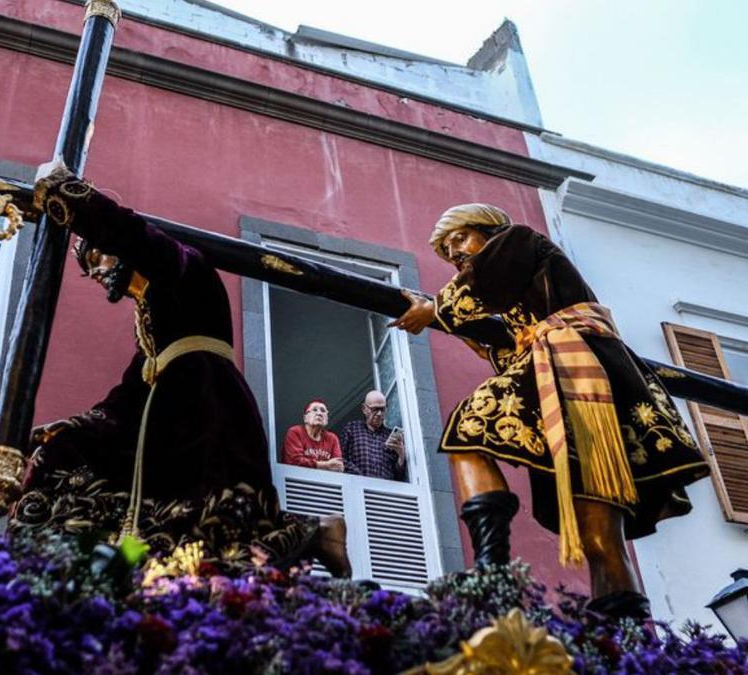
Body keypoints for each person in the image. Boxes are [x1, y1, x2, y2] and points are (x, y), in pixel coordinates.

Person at [11, 164, 350, 577]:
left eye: (98, 255)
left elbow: (137, 237)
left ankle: (315, 534)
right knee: (74, 467)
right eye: (88, 268)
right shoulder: (149, 320)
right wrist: (76, 428)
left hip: (206, 411)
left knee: (213, 527)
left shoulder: (185, 269)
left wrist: (75, 199)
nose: (97, 273)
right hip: (165, 419)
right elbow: (130, 392)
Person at [390, 203, 709, 619]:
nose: (456, 255)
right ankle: (624, 637)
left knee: (466, 430)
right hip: (584, 383)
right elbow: (510, 342)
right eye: (448, 252)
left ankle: (493, 568)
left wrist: (435, 310)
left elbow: (482, 283)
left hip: (570, 363)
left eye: (460, 239)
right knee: (600, 536)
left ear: (490, 231)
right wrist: (483, 340)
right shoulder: (522, 289)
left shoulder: (518, 240)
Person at [340, 391, 407, 481]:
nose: (379, 414)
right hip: (358, 488)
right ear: (364, 409)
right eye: (375, 409)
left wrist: (401, 455)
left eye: (382, 409)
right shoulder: (352, 429)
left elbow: (398, 477)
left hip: (385, 492)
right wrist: (360, 477)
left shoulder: (390, 436)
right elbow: (340, 459)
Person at [282, 399, 344, 472]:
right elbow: (294, 462)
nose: (319, 413)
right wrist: (324, 465)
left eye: (323, 411)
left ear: (327, 419)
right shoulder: (295, 432)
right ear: (305, 418)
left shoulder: (332, 438)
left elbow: (338, 467)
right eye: (314, 410)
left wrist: (311, 464)